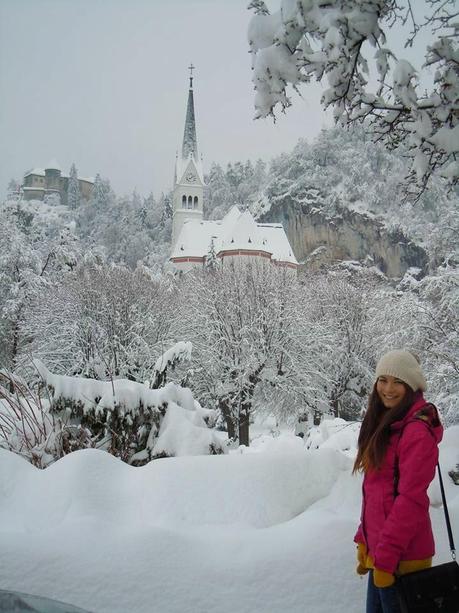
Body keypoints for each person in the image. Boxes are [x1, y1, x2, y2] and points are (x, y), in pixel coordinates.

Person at [353, 350, 443, 613]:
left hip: (401, 558)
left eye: (398, 382)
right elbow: (376, 492)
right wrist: (364, 538)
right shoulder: (386, 423)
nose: (388, 389)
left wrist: (386, 556)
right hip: (381, 554)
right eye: (383, 379)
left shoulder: (415, 431)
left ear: (412, 386)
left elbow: (410, 501)